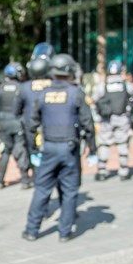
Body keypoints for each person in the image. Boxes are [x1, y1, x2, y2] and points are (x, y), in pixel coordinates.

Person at [21, 53, 95, 242]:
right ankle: (64, 232)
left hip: (49, 148)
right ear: (70, 71)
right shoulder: (75, 92)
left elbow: (31, 124)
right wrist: (93, 149)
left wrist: (34, 149)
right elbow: (88, 123)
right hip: (69, 148)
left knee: (42, 189)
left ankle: (31, 230)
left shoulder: (43, 94)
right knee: (69, 191)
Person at [92, 60, 133, 181]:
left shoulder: (103, 85)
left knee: (104, 144)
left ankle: (102, 170)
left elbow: (94, 100)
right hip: (122, 118)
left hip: (106, 119)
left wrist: (97, 117)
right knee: (122, 143)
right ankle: (124, 171)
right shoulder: (126, 84)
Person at [0, 62, 33, 189]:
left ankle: (0, 179)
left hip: (3, 123)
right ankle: (25, 179)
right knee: (20, 150)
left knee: (5, 151)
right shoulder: (22, 88)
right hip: (18, 122)